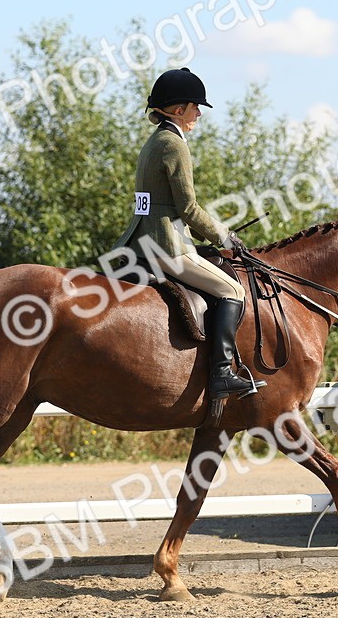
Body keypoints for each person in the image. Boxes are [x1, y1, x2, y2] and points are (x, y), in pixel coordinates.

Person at [112, 68, 265, 400]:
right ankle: (222, 373)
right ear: (178, 109)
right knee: (232, 290)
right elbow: (189, 209)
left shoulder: (154, 141)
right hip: (164, 246)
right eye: (195, 107)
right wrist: (224, 236)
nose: (198, 113)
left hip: (142, 239)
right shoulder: (173, 145)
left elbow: (155, 205)